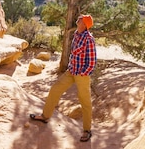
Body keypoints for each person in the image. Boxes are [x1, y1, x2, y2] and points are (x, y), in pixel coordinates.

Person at [29, 14, 97, 142]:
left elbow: (92, 61)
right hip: (71, 71)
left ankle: (87, 130)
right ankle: (45, 116)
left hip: (82, 74)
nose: (79, 18)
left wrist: (83, 73)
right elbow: (74, 54)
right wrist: (71, 68)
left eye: (81, 19)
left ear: (85, 24)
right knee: (55, 89)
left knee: (85, 102)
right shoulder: (77, 34)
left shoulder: (89, 39)